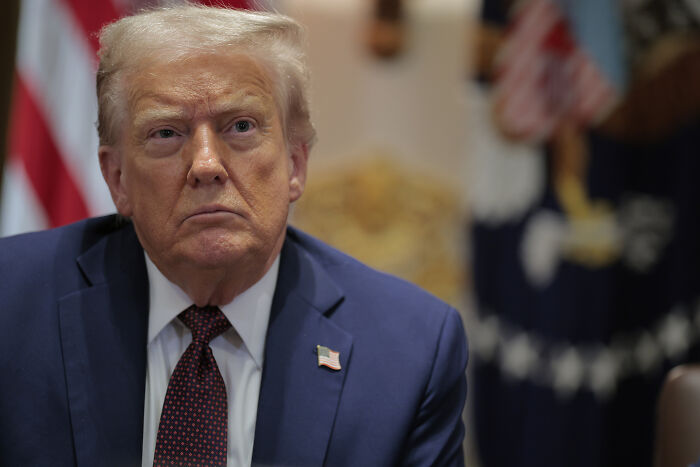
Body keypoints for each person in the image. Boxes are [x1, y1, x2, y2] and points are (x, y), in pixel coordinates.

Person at [0, 5, 468, 466]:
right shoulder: (11, 303)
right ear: (118, 178)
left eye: (241, 126)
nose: (206, 165)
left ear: (295, 164)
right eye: (166, 133)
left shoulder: (409, 354)